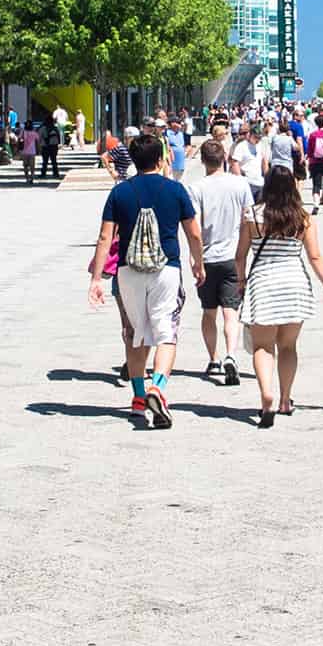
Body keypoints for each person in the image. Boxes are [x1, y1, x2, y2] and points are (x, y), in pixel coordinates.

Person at [89, 134, 205, 429]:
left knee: (136, 332)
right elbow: (193, 233)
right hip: (166, 268)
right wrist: (198, 263)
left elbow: (105, 237)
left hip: (128, 271)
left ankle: (139, 398)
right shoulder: (175, 190)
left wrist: (96, 279)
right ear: (159, 159)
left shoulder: (120, 193)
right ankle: (158, 386)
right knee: (166, 332)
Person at [237, 167, 323, 427]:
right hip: (294, 283)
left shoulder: (252, 215)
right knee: (288, 346)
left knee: (263, 346)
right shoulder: (303, 218)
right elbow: (315, 257)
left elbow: (240, 255)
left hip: (263, 282)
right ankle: (285, 399)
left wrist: (241, 282)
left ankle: (266, 396)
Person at [191, 139, 254, 386]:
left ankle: (213, 359)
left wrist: (195, 258)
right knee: (231, 312)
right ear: (225, 158)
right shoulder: (240, 184)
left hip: (207, 257)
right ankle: (231, 354)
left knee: (208, 312)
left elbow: (194, 227)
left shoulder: (196, 188)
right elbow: (248, 220)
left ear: (203, 161)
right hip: (232, 256)